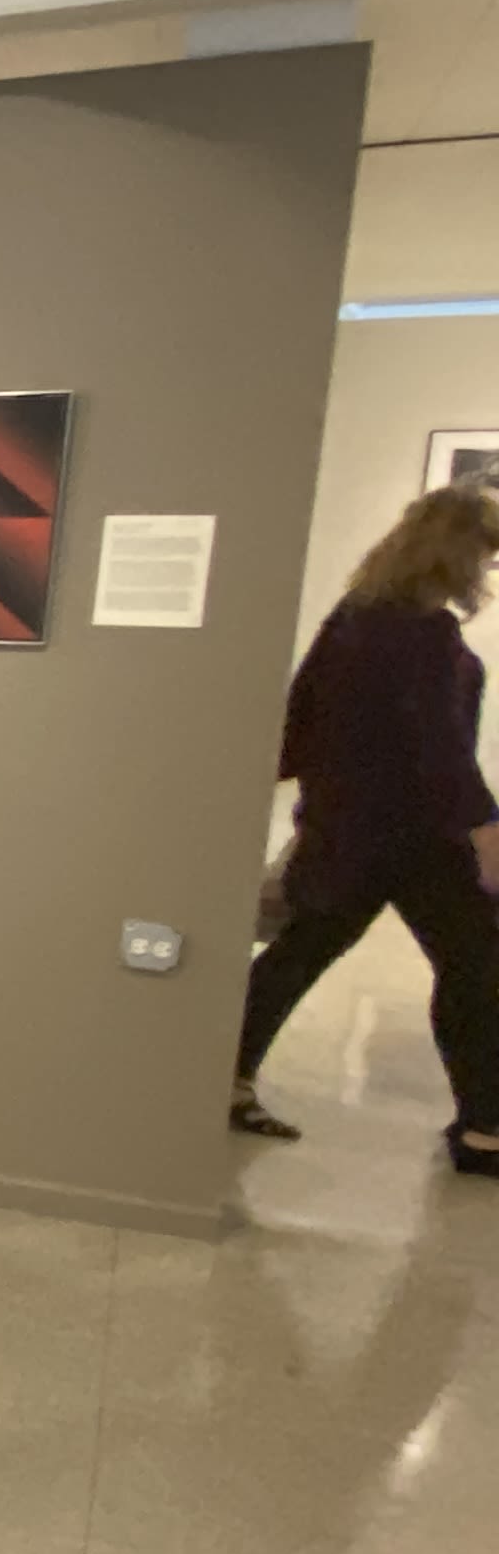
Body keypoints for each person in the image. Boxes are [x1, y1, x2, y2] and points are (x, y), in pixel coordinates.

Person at [231, 486, 499, 1172]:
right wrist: (487, 829)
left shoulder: (356, 616)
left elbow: (301, 718)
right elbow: (441, 749)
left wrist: (311, 802)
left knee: (300, 954)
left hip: (348, 828)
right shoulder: (425, 634)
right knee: (476, 966)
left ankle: (222, 1081)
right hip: (415, 838)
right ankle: (484, 1128)